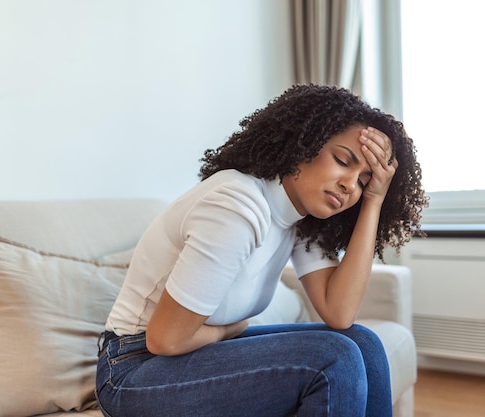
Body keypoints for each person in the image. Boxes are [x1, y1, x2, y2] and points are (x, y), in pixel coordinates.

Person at [95, 84, 428, 417]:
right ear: (304, 145)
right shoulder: (237, 208)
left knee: (363, 345)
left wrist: (374, 201)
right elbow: (165, 340)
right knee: (334, 357)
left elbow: (339, 313)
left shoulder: (298, 215)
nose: (349, 185)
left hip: (191, 356)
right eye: (343, 160)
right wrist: (232, 329)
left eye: (363, 180)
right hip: (132, 370)